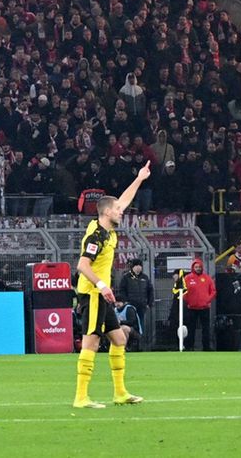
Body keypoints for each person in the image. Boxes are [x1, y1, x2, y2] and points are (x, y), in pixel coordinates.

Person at [73, 160, 151, 409]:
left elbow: (124, 200)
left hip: (101, 294)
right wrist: (102, 286)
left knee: (119, 339)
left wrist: (139, 178)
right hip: (93, 294)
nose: (122, 211)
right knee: (91, 342)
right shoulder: (96, 235)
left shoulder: (107, 229)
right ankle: (81, 397)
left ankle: (120, 393)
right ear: (107, 212)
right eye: (117, 209)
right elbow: (82, 266)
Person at [114, 260, 153, 344]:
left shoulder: (145, 277)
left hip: (142, 305)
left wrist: (149, 303)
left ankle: (140, 341)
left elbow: (150, 290)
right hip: (130, 306)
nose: (138, 267)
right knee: (130, 322)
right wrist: (125, 301)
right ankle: (128, 341)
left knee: (141, 323)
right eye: (136, 265)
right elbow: (122, 290)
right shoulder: (126, 277)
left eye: (140, 265)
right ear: (132, 267)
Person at [181, 258, 215, 351]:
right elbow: (183, 291)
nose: (198, 268)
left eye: (199, 267)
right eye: (196, 267)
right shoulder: (188, 278)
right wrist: (188, 301)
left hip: (204, 308)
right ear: (193, 267)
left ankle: (206, 347)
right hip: (192, 308)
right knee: (191, 328)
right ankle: (189, 346)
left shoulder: (207, 278)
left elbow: (213, 291)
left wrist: (207, 300)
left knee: (206, 329)